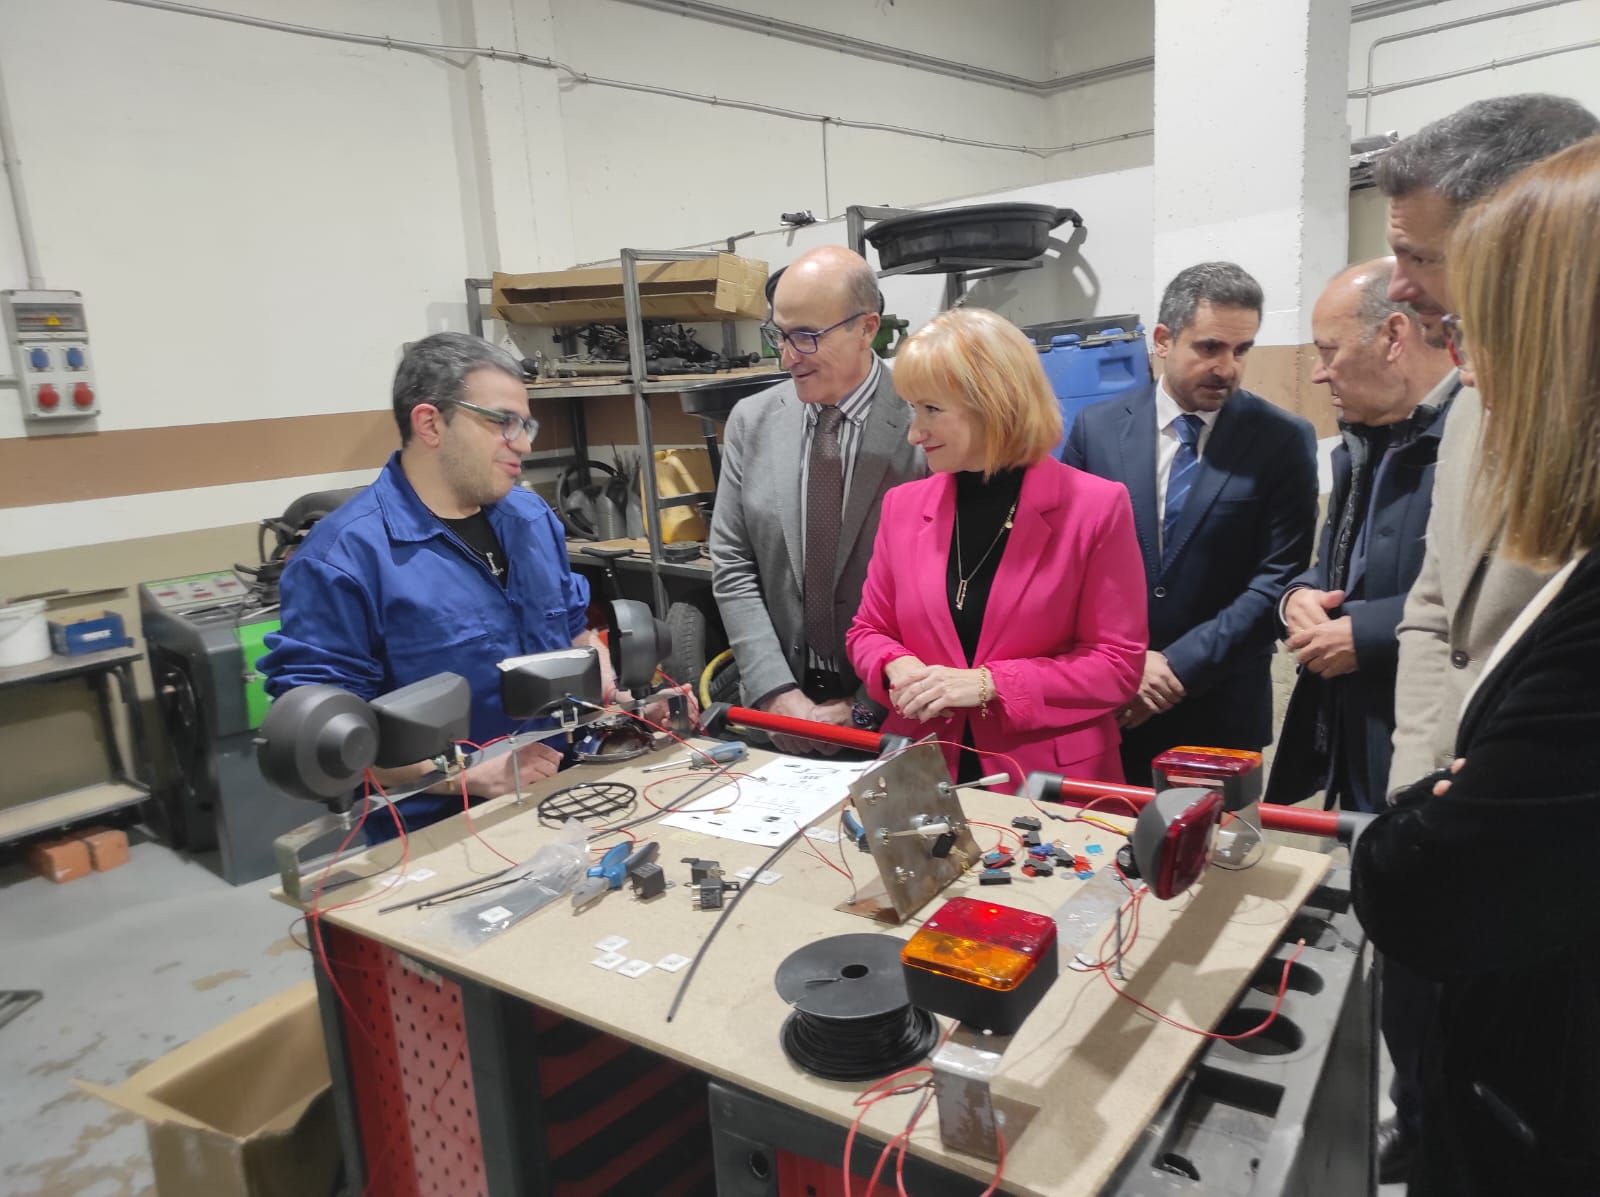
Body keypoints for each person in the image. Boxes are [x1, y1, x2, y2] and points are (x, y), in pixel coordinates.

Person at [1352, 134, 1600, 1196]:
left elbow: (1421, 883)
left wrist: (1426, 834)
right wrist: (1425, 789)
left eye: (1464, 315)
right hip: (1468, 851)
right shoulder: (1470, 418)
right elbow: (1432, 607)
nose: (1455, 355)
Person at [261, 333, 619, 838]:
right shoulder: (344, 559)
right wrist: (464, 777)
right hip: (435, 834)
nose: (525, 443)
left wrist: (603, 676)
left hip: (564, 797)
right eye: (503, 423)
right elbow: (328, 745)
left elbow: (573, 629)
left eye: (527, 424)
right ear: (430, 423)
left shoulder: (532, 520)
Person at [845, 309, 1144, 789]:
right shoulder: (904, 506)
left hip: (1046, 782)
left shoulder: (1095, 508)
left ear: (994, 403)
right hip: (922, 770)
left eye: (931, 410)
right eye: (912, 410)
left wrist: (990, 684)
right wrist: (894, 665)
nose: (914, 433)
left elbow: (1116, 665)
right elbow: (868, 630)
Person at [1063, 262, 1317, 785]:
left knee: (1213, 865)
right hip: (1111, 702)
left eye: (1241, 350)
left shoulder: (1282, 440)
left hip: (1218, 711)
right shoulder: (1098, 431)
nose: (1228, 367)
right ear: (1163, 339)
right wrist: (1126, 664)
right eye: (1210, 347)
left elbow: (1277, 580)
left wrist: (1176, 667)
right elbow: (1065, 563)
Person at [710, 246, 925, 754]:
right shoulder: (751, 421)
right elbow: (733, 562)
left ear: (867, 328)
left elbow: (941, 584)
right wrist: (775, 691)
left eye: (806, 336)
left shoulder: (923, 420)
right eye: (779, 335)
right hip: (778, 712)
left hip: (892, 714)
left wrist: (867, 703)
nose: (787, 357)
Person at [1266, 260, 1455, 815]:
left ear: (1394, 336)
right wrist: (1297, 599)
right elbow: (1333, 565)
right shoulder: (1364, 443)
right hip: (1356, 730)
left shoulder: (1475, 437)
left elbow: (1495, 595)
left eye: (1329, 351)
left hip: (1431, 740)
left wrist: (1365, 635)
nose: (1320, 374)